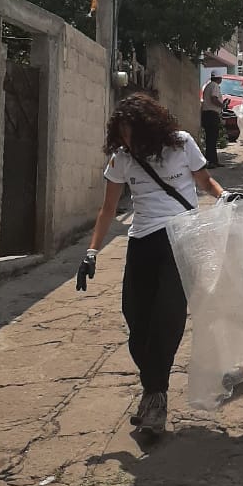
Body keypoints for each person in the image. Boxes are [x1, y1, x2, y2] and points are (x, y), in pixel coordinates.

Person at [77, 93, 228, 435]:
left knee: (167, 319)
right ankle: (153, 389)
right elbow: (107, 209)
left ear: (149, 127)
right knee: (136, 319)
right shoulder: (121, 159)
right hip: (142, 242)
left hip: (181, 239)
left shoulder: (182, 144)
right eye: (123, 136)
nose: (128, 142)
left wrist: (225, 196)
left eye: (133, 134)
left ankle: (155, 399)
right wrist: (91, 253)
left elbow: (204, 182)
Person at [201, 69, 225, 169]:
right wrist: (222, 105)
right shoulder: (214, 85)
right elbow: (214, 98)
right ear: (218, 78)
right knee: (212, 139)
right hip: (211, 114)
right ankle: (211, 161)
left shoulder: (208, 86)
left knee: (211, 139)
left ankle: (213, 160)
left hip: (207, 114)